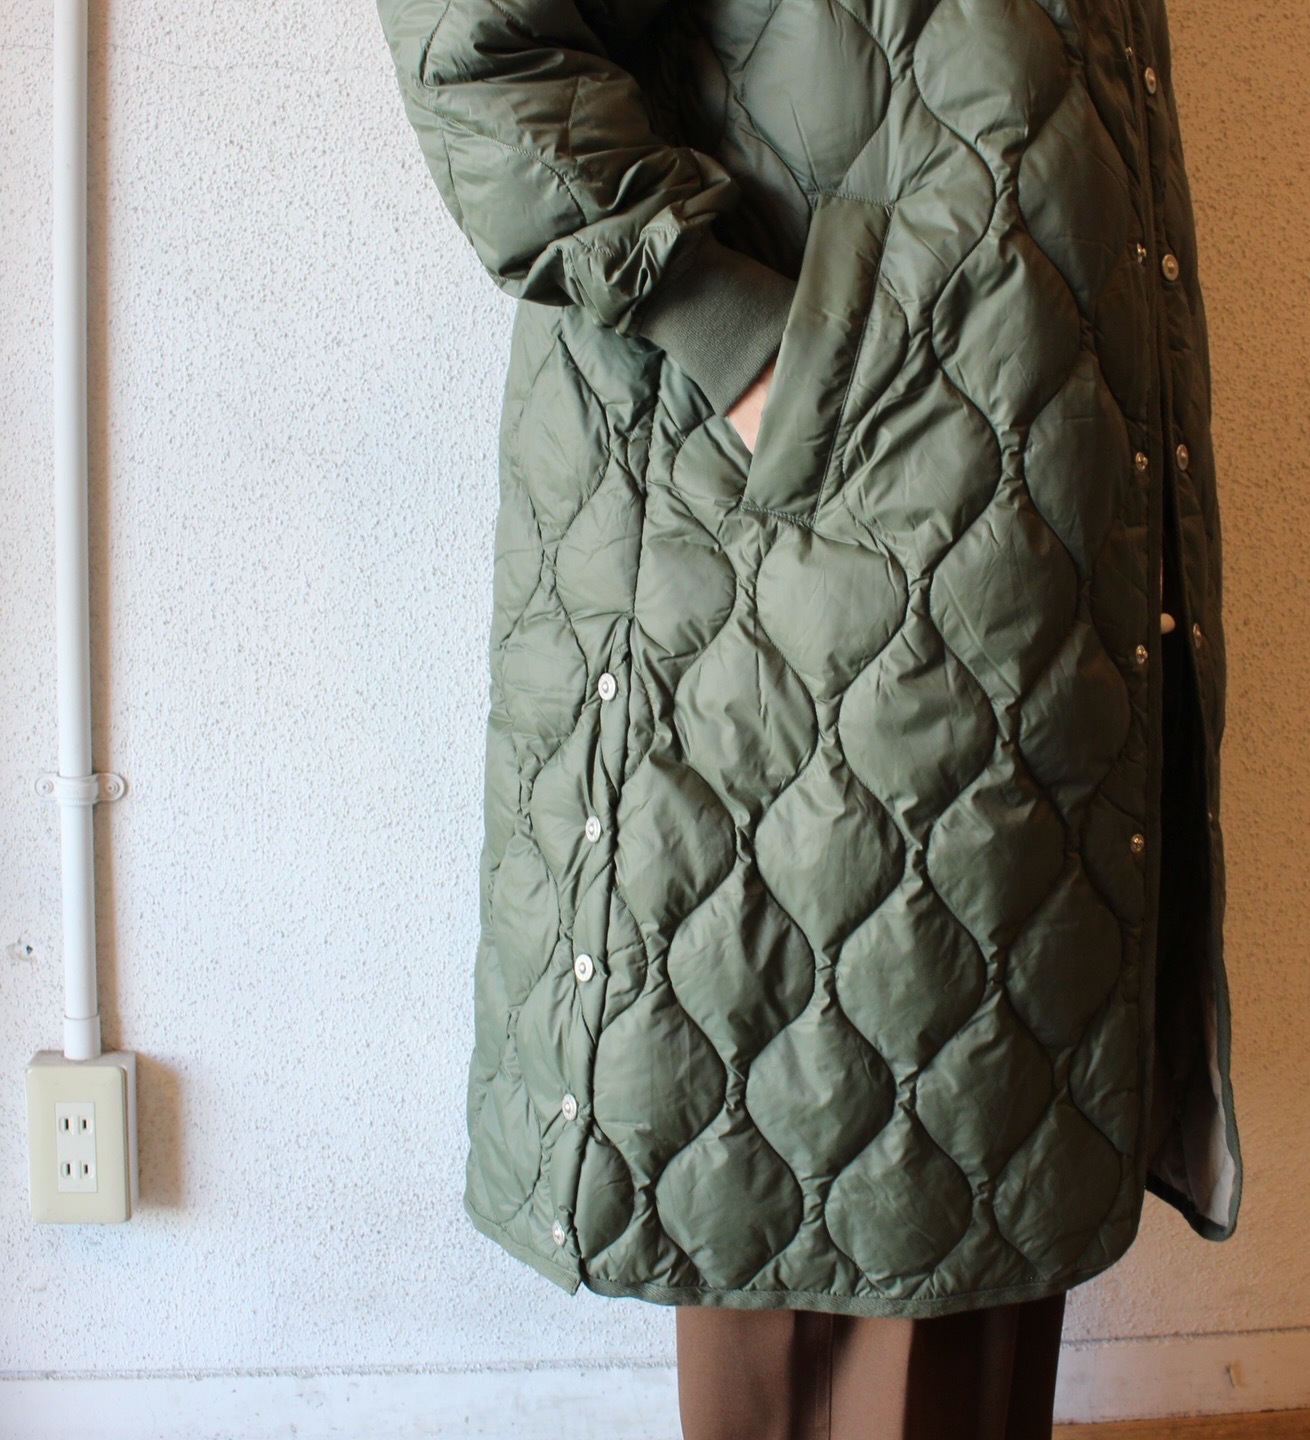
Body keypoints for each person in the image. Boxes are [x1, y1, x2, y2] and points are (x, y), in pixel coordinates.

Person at [375, 0, 1243, 1432]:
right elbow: (481, 37)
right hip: (812, 536)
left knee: (971, 1138)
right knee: (823, 1133)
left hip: (1014, 526)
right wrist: (745, 342)